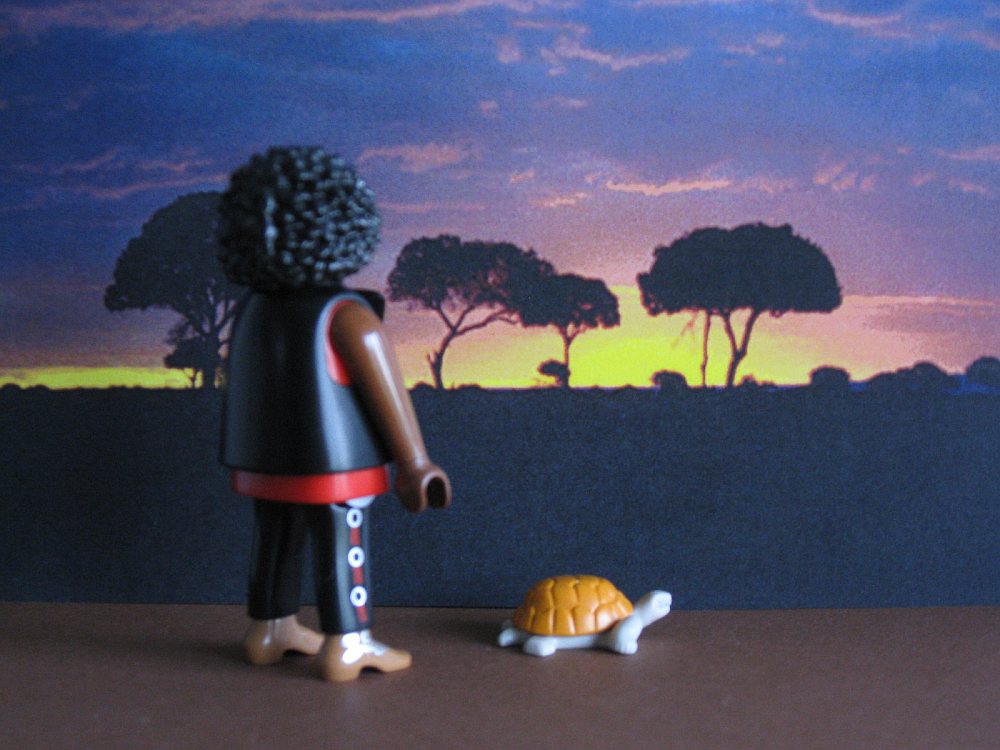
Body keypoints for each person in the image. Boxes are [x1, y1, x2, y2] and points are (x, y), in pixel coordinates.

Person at [217, 146, 450, 681]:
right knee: (343, 541)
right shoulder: (347, 315)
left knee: (275, 535)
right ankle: (349, 641)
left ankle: (269, 629)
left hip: (264, 462)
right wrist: (416, 463)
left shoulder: (253, 309)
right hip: (335, 465)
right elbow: (387, 391)